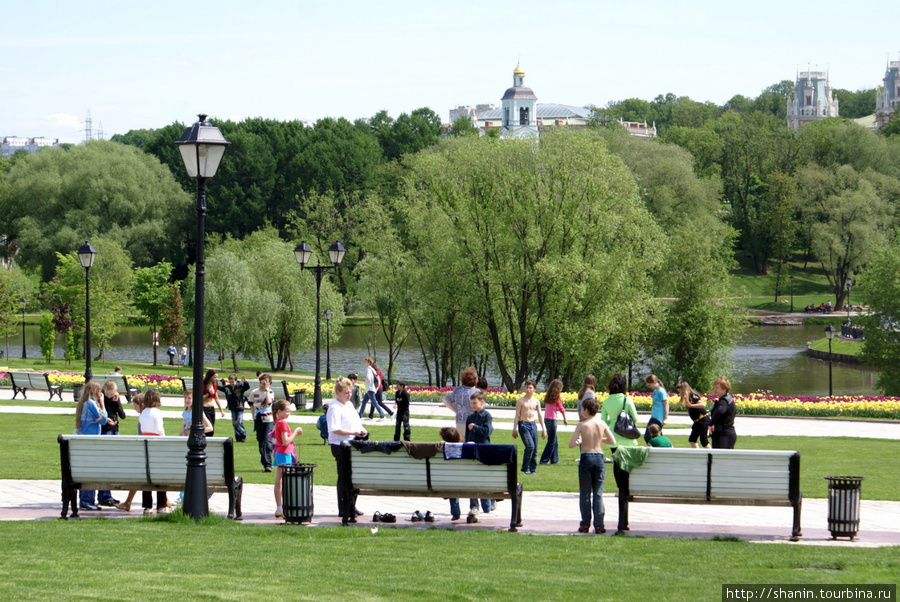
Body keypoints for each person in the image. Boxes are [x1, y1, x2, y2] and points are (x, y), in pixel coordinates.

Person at [568, 397, 616, 534]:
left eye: (582, 409)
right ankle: (599, 524)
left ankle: (585, 524)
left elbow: (571, 444)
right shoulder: (601, 424)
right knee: (598, 493)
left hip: (586, 457)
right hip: (599, 457)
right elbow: (612, 441)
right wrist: (600, 439)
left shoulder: (582, 425)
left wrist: (579, 441)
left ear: (586, 410)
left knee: (585, 494)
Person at [600, 373, 639, 532]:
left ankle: (621, 490)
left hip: (614, 441)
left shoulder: (606, 401)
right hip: (629, 443)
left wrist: (613, 422)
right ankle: (625, 494)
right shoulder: (626, 400)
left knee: (618, 473)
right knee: (627, 475)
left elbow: (604, 420)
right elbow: (635, 417)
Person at [327, 377, 367, 525]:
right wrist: (354, 433)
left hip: (352, 443)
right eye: (346, 392)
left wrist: (362, 431)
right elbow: (335, 429)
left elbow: (356, 423)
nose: (348, 395)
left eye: (350, 392)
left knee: (353, 477)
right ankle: (343, 507)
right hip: (340, 445)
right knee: (344, 477)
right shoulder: (334, 407)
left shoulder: (349, 405)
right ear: (338, 392)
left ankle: (351, 506)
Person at [75, 381, 108, 511]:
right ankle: (86, 500)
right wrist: (102, 402)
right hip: (90, 442)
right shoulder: (91, 403)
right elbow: (104, 419)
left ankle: (86, 499)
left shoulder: (83, 403)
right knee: (91, 470)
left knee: (87, 470)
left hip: (84, 440)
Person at [138, 388, 169, 514]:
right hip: (156, 444)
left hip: (146, 443)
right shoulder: (157, 412)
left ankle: (147, 505)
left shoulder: (143, 413)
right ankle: (161, 504)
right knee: (160, 475)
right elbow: (159, 429)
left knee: (147, 475)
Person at [97, 379, 127, 507]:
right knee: (105, 463)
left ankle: (107, 495)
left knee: (111, 463)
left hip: (114, 430)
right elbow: (101, 416)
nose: (109, 396)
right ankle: (104, 495)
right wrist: (104, 403)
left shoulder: (114, 398)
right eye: (107, 394)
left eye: (111, 394)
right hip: (105, 430)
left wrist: (116, 402)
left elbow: (122, 415)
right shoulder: (100, 398)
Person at [465, 391, 494, 519]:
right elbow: (467, 435)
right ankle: (474, 505)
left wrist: (475, 427)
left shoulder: (486, 416)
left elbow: (488, 432)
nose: (473, 405)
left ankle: (488, 501)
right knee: (472, 477)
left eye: (475, 403)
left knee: (484, 477)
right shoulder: (470, 418)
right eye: (471, 403)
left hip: (484, 449)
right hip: (472, 450)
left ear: (482, 402)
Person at [273, 399, 303, 519]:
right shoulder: (282, 423)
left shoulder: (278, 422)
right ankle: (284, 506)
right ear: (279, 411)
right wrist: (296, 432)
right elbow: (286, 441)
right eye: (287, 411)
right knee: (285, 481)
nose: (288, 413)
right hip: (285, 453)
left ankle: (279, 508)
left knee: (279, 480)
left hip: (281, 453)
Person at [115, 393, 145, 512]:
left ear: (141, 405)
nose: (134, 408)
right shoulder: (145, 415)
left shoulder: (144, 416)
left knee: (136, 476)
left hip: (144, 452)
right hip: (146, 452)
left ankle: (128, 502)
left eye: (135, 406)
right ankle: (166, 501)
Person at [512, 379, 545, 475]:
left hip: (532, 424)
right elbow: (517, 415)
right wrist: (514, 429)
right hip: (523, 424)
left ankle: (533, 469)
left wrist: (543, 429)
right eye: (526, 387)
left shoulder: (536, 401)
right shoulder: (520, 401)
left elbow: (539, 415)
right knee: (530, 446)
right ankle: (525, 467)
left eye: (530, 387)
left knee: (534, 448)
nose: (528, 389)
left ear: (534, 389)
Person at [441, 366, 480, 439]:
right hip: (474, 424)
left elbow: (445, 400)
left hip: (460, 422)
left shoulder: (458, 390)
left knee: (461, 445)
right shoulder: (477, 392)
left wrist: (456, 411)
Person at [539, 378, 567, 465]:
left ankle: (554, 459)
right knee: (551, 441)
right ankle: (544, 460)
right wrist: (565, 419)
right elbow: (561, 408)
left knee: (554, 440)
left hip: (546, 419)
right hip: (552, 420)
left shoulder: (548, 396)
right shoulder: (557, 397)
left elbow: (552, 407)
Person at [251, 374, 276, 472]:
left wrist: (266, 389)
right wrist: (252, 415)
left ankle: (268, 464)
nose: (263, 384)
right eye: (261, 382)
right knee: (261, 441)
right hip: (259, 419)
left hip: (268, 419)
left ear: (269, 383)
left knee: (267, 440)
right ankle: (265, 461)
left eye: (265, 382)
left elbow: (269, 402)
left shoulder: (270, 392)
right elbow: (251, 404)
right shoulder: (254, 392)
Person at [439, 426, 463, 520]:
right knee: (456, 479)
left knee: (451, 481)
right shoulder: (464, 448)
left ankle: (455, 513)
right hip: (468, 480)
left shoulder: (441, 449)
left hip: (449, 481)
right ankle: (477, 508)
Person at [678, 380, 710, 449]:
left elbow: (702, 405)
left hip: (703, 419)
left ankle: (711, 456)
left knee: (703, 441)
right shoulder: (687, 398)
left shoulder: (693, 395)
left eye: (680, 391)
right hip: (697, 421)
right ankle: (697, 454)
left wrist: (691, 405)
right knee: (692, 439)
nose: (679, 393)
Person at [709, 376, 737, 449]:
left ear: (724, 388)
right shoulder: (727, 398)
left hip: (724, 434)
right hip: (723, 433)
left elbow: (720, 411)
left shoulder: (724, 401)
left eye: (717, 387)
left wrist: (711, 423)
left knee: (722, 458)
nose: (714, 390)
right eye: (714, 387)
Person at [221, 374, 250, 442]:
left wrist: (245, 382)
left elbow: (247, 387)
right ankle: (238, 437)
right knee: (234, 423)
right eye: (230, 381)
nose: (231, 383)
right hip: (232, 407)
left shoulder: (240, 386)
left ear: (236, 381)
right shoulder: (227, 387)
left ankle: (243, 434)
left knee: (239, 421)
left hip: (239, 407)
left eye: (233, 381)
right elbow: (219, 387)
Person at [643, 374, 668, 444]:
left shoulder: (661, 391)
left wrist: (665, 418)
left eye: (649, 385)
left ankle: (658, 449)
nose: (649, 387)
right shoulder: (655, 391)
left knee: (649, 437)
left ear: (654, 382)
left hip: (659, 418)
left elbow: (666, 404)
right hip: (654, 416)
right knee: (651, 436)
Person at [202, 369, 225, 436]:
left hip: (211, 408)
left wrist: (221, 410)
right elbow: (199, 399)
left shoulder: (214, 386)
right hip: (205, 408)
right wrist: (208, 394)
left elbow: (216, 398)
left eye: (216, 377)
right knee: (210, 429)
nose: (216, 379)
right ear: (210, 377)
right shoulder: (204, 386)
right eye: (214, 377)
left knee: (212, 429)